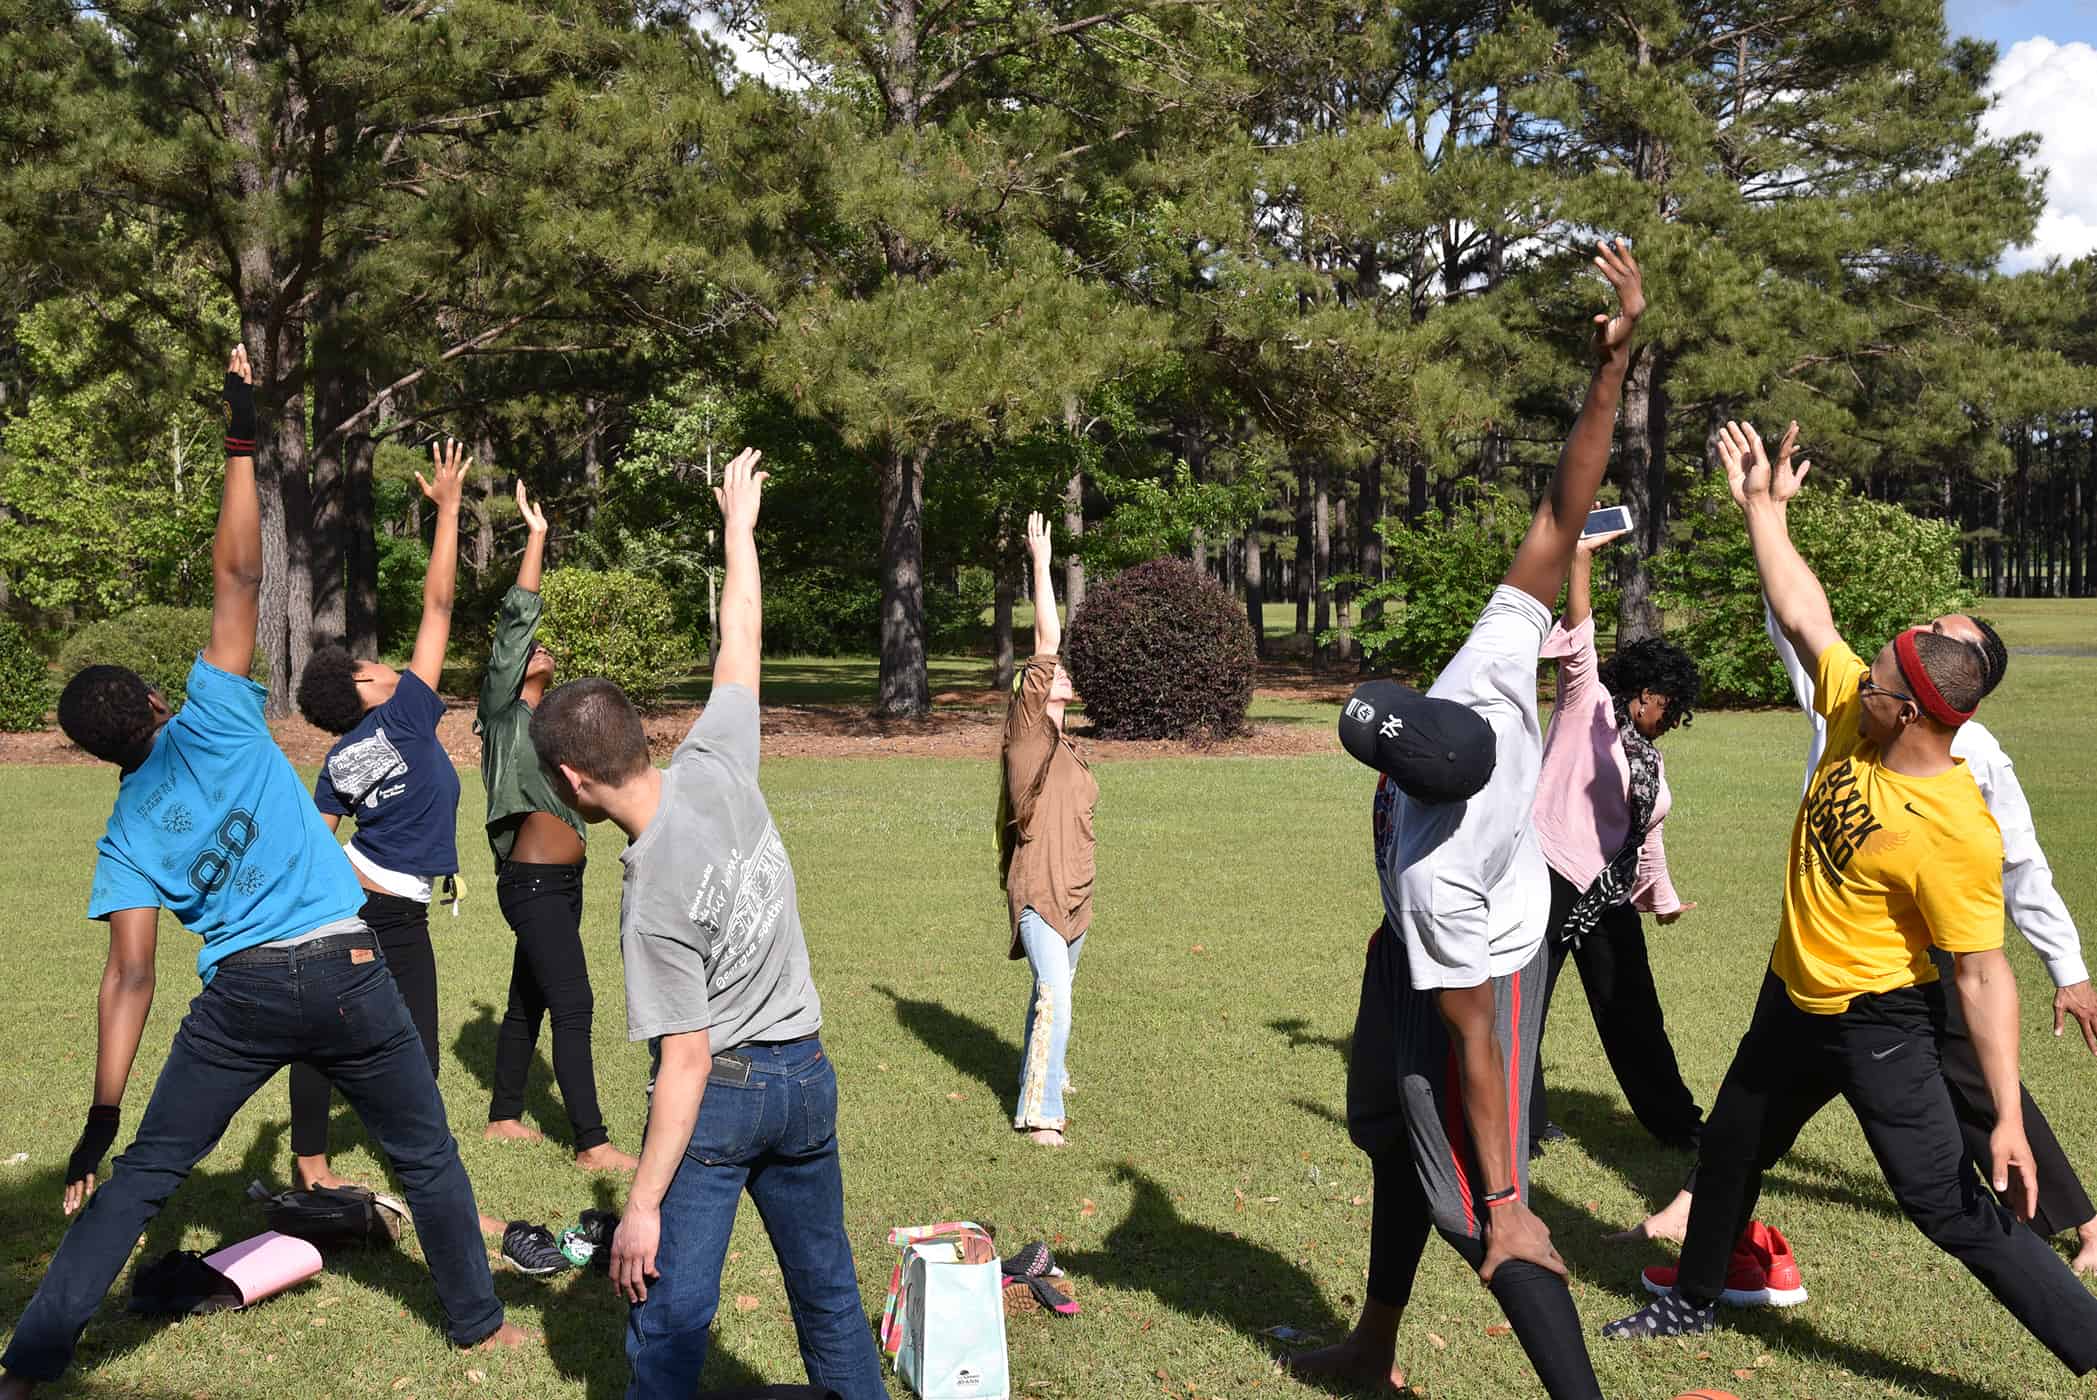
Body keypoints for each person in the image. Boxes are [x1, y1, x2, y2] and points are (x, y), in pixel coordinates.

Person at [0, 350, 524, 1397]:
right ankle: (481, 1327)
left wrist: (101, 1123)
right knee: (423, 1151)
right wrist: (243, 436)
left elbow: (131, 980)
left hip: (238, 995)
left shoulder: (125, 832)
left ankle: (28, 1363)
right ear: (155, 701)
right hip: (348, 962)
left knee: (145, 1176)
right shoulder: (220, 712)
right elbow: (237, 575)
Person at [1600, 421, 2097, 1381]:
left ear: (1908, 708)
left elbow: (1983, 974)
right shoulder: (1850, 714)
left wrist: (2001, 1112)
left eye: (1874, 675)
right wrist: (1762, 511)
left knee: (1947, 1207)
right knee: (1734, 1146)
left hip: (1880, 1020)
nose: (1851, 672)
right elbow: (1805, 614)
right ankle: (1694, 1299)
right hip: (1792, 997)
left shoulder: (1951, 823)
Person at [1284, 241, 1646, 1400]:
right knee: (1388, 1131)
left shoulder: (1442, 872)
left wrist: (1505, 1194)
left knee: (1471, 1202)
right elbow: (1562, 499)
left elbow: (1478, 1035)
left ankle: (1559, 1351)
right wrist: (1612, 368)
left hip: (1484, 962)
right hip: (1413, 951)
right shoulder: (1484, 675)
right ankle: (1374, 1352)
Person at [528, 448, 885, 1400]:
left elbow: (683, 1060)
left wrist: (638, 1206)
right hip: (807, 1074)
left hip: (724, 1097)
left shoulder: (646, 897)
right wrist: (738, 528)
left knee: (672, 1313)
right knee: (829, 1295)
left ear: (572, 780)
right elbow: (743, 642)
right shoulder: (718, 761)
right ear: (639, 736)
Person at [287, 440, 471, 1192]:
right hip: (387, 910)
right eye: (369, 665)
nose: (383, 663)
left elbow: (311, 840)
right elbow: (439, 605)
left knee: (332, 1033)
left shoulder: (337, 762)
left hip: (364, 899)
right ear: (364, 689)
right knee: (412, 1050)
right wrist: (450, 512)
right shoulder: (404, 714)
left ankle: (315, 1163)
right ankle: (408, 1165)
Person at [1527, 527, 1703, 1158]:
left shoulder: (1650, 762)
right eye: (1671, 708)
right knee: (1523, 1009)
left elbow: (1645, 838)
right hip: (1545, 877)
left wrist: (1662, 899)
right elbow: (1578, 641)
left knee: (1635, 1016)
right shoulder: (1587, 704)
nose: (1672, 721)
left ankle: (1678, 1124)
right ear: (1647, 691)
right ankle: (1520, 1124)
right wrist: (1579, 561)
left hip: (1606, 898)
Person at [476, 481, 636, 1172]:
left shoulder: (552, 735)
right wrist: (537, 535)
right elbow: (516, 618)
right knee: (575, 1004)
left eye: (546, 648)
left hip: (562, 886)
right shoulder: (503, 718)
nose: (540, 650)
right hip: (534, 885)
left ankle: (503, 1116)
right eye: (529, 648)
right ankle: (592, 1143)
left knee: (529, 1004)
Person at [997, 509, 1098, 1148]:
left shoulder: (1070, 745)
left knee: (1051, 996)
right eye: (1050, 673)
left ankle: (1049, 1071)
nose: (1061, 672)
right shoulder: (1029, 734)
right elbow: (1047, 635)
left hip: (1079, 893)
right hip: (1038, 890)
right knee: (1054, 998)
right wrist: (1041, 560)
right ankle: (1040, 1114)